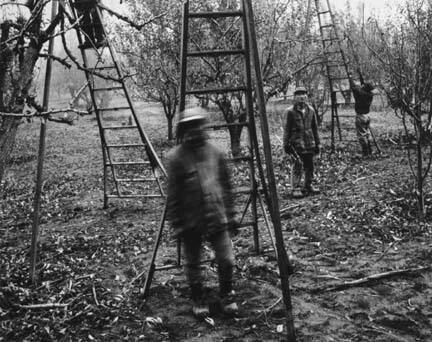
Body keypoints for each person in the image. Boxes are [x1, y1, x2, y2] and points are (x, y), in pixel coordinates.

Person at [166, 108, 238, 318]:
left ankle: (226, 293)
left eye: (198, 126)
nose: (195, 131)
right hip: (191, 220)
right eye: (190, 127)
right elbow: (173, 196)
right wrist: (177, 223)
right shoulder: (176, 158)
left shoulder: (215, 152)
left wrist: (231, 215)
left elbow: (226, 186)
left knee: (226, 260)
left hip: (216, 215)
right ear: (184, 130)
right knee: (193, 263)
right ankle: (198, 298)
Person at [283, 86, 320, 198]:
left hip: (309, 142)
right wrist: (285, 144)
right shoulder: (290, 112)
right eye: (298, 95)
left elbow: (315, 128)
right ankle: (296, 188)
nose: (301, 97)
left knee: (310, 165)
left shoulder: (311, 110)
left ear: (306, 96)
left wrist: (318, 143)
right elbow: (286, 130)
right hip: (296, 143)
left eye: (303, 94)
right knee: (298, 165)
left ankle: (308, 185)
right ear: (295, 97)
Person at [349, 76, 375, 157]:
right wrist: (360, 74)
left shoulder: (360, 93)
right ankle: (369, 151)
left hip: (360, 117)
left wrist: (350, 77)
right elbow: (363, 86)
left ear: (365, 87)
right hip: (367, 116)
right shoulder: (370, 94)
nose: (362, 85)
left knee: (361, 135)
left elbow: (353, 87)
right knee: (367, 134)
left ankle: (365, 153)